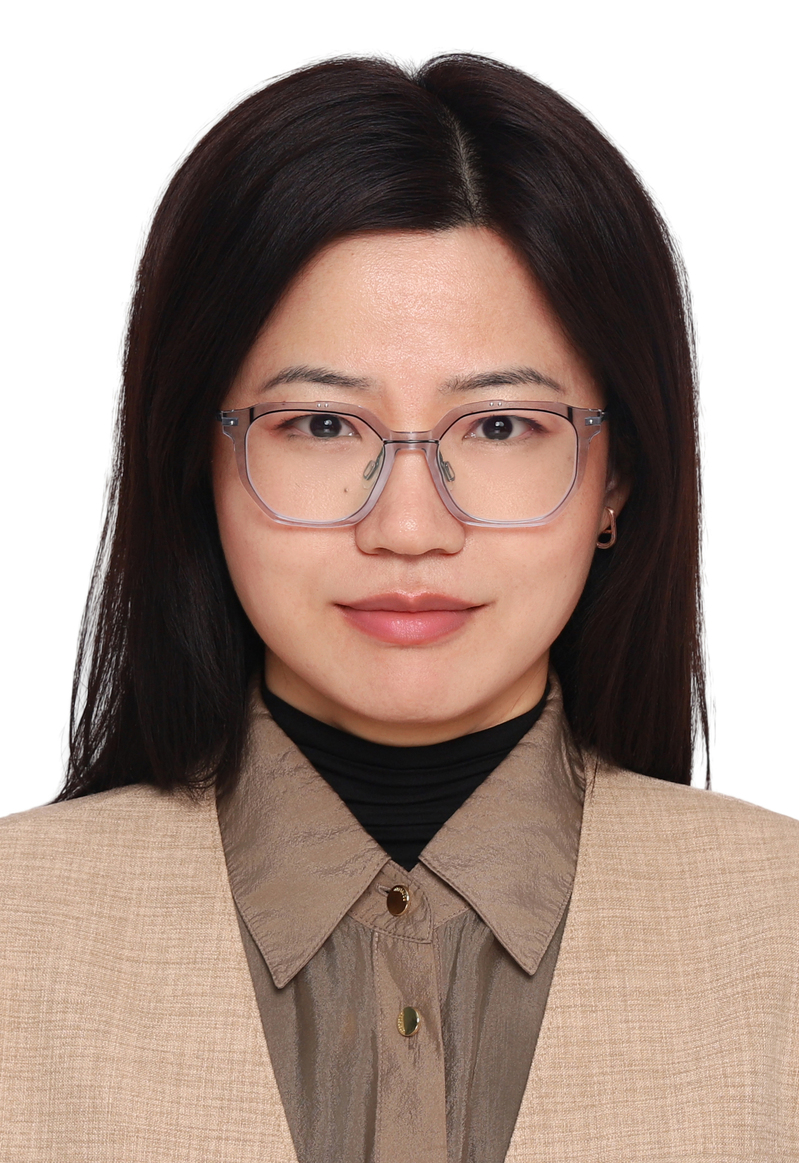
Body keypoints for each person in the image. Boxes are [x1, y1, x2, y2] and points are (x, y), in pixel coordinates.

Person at [1, 53, 797, 1162]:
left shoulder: (779, 933)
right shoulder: (18, 932)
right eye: (321, 426)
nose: (409, 526)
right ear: (196, 460)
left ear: (615, 476)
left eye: (502, 426)